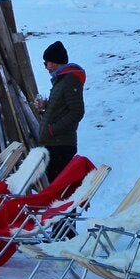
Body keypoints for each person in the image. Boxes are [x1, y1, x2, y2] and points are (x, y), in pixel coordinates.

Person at [36, 40, 86, 182]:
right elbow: (61, 110)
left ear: (55, 62)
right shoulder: (61, 81)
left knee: (61, 189)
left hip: (61, 145)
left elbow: (77, 111)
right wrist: (44, 108)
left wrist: (52, 130)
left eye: (46, 63)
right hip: (54, 144)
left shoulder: (69, 81)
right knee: (57, 188)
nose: (46, 67)